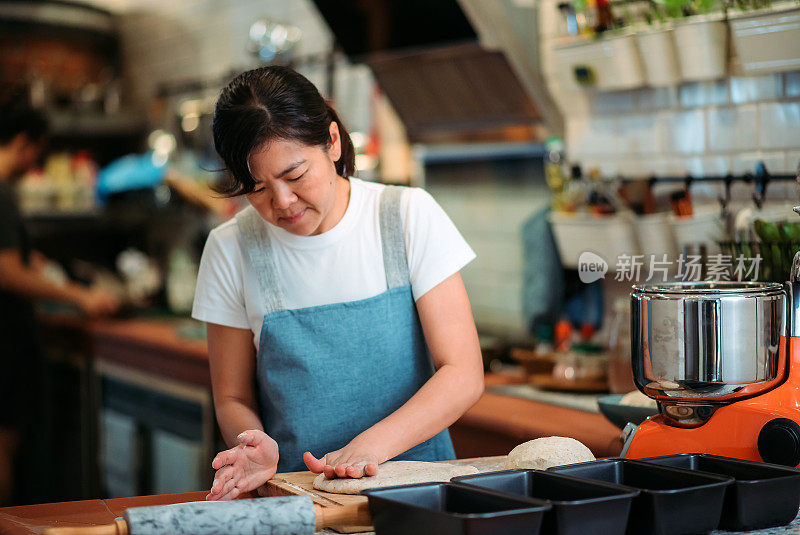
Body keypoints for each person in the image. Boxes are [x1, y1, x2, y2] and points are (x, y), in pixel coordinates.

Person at [192, 66, 484, 501]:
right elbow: (231, 396)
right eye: (256, 188)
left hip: (420, 492)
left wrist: (371, 448)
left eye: (294, 176)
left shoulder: (405, 216)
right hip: (297, 497)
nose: (282, 202)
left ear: (331, 141)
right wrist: (251, 440)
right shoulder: (230, 247)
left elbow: (463, 374)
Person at [0, 100, 119, 505]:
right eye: (37, 150)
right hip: (5, 340)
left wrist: (34, 260)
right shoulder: (1, 193)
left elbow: (14, 257)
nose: (35, 161)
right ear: (23, 143)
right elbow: (6, 270)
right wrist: (80, 295)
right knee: (3, 444)